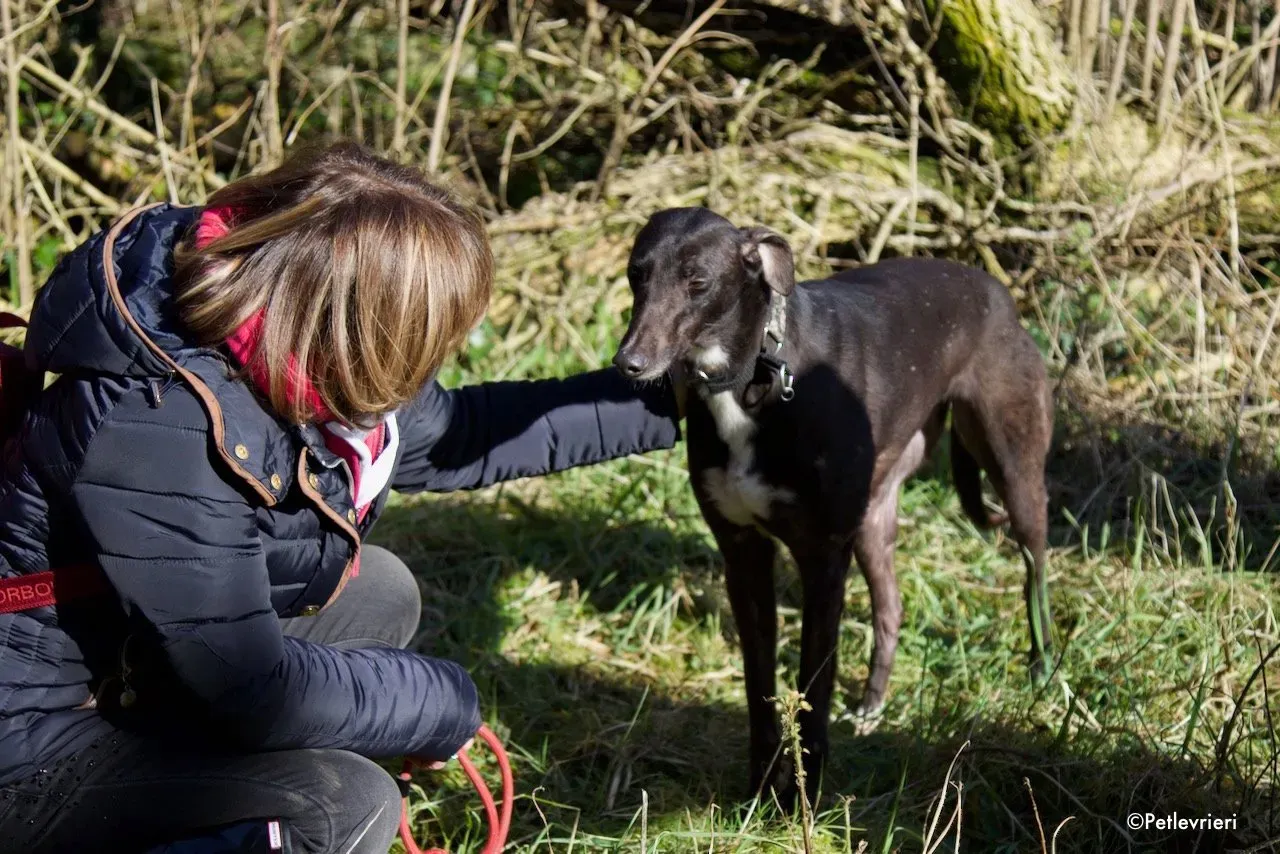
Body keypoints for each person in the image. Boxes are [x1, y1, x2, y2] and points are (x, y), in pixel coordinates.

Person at [0, 141, 683, 854]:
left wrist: (671, 403)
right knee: (341, 805)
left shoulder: (280, 339)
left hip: (131, 666)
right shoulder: (159, 422)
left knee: (381, 592)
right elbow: (252, 690)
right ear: (357, 322)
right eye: (427, 330)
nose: (441, 350)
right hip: (31, 748)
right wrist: (437, 706)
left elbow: (458, 434)